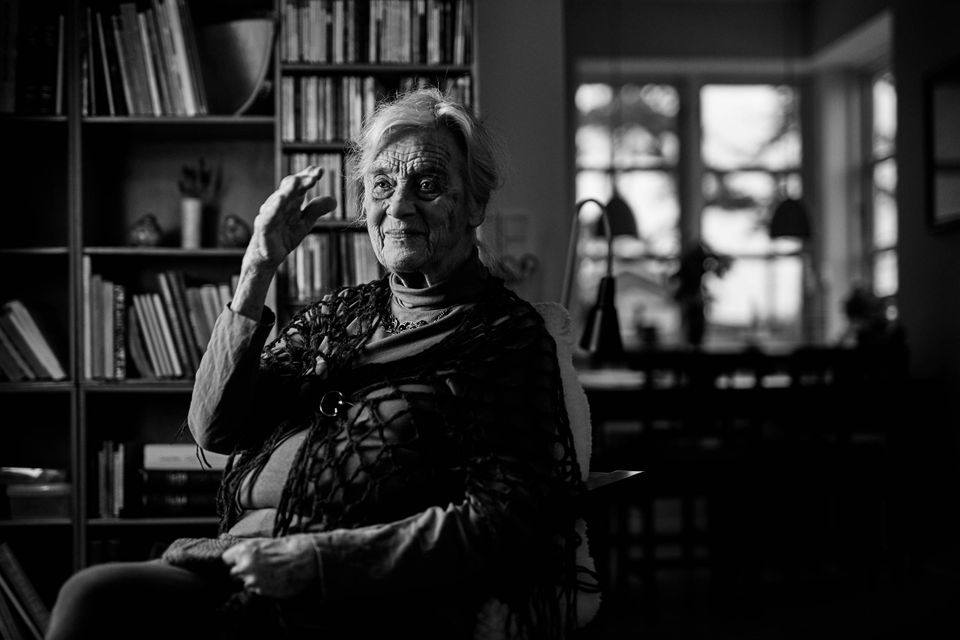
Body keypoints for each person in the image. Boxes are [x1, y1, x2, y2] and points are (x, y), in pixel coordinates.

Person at [46, 88, 587, 640]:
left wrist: (319, 560)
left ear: (474, 204)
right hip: (236, 558)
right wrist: (256, 270)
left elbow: (506, 513)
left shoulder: (502, 337)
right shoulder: (339, 316)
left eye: (427, 185)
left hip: (361, 593)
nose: (399, 207)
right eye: (382, 185)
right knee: (93, 597)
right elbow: (215, 429)